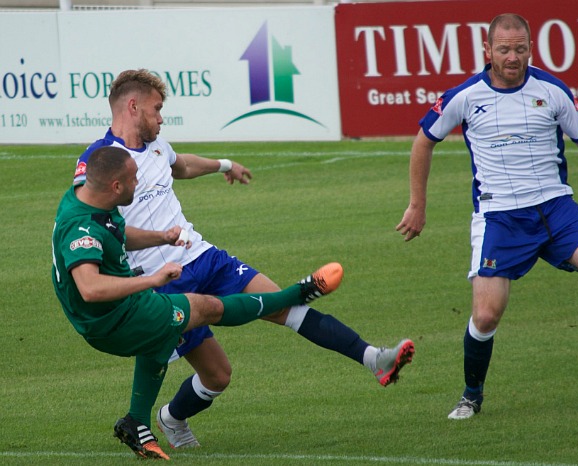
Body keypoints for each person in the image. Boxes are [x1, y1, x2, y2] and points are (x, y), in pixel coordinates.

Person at [73, 69, 414, 449]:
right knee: (218, 376)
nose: (161, 117)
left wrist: (223, 164)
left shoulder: (157, 146)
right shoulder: (99, 162)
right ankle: (171, 417)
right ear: (133, 106)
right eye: (156, 109)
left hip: (204, 257)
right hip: (165, 282)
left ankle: (374, 359)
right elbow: (89, 216)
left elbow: (180, 165)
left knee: (288, 303)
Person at [396, 13, 578, 420]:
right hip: (499, 217)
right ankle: (472, 394)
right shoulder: (465, 96)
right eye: (503, 49)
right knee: (485, 314)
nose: (512, 57)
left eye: (519, 48)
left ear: (530, 48)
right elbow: (422, 142)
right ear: (487, 50)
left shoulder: (552, 90)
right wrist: (417, 206)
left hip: (555, 207)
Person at [52, 146, 343, 459]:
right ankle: (293, 295)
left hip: (122, 308)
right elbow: (90, 288)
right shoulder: (79, 229)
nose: (139, 185)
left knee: (164, 333)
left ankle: (136, 420)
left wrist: (162, 237)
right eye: (134, 180)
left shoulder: (91, 200)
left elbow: (117, 232)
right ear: (116, 186)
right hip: (114, 319)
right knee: (207, 308)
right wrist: (153, 279)